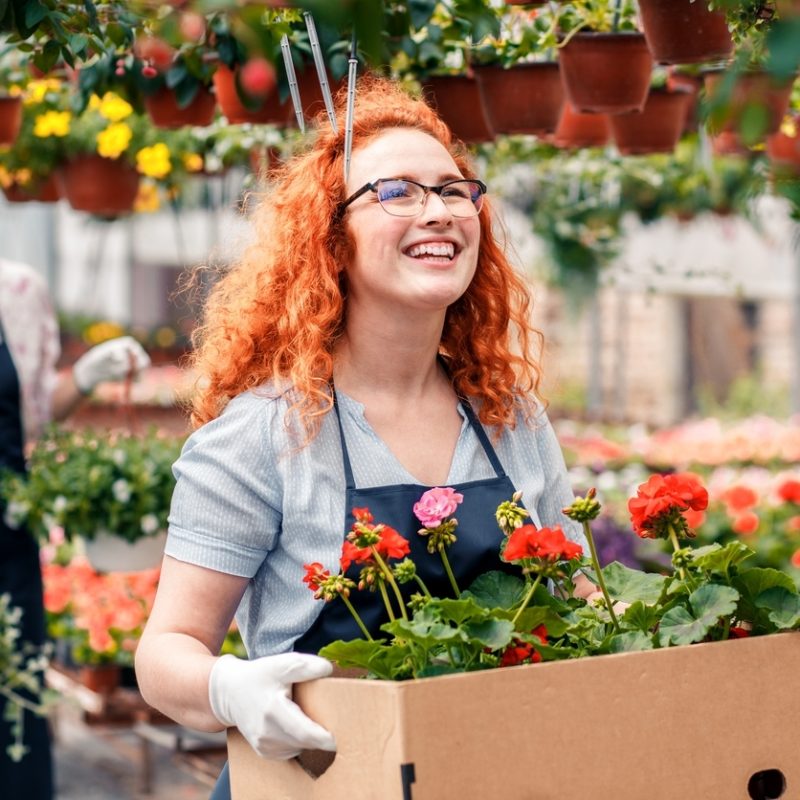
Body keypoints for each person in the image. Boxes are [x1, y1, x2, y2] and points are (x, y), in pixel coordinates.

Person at [134, 76, 600, 799]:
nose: (439, 211)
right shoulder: (265, 435)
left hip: (487, 775)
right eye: (398, 193)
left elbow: (573, 599)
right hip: (316, 783)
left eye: (454, 190)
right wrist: (231, 690)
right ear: (332, 241)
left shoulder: (511, 418)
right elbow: (165, 653)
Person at [0, 256, 150, 800]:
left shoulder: (17, 289)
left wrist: (85, 375)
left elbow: (36, 413)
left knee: (13, 698)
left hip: (7, 538)